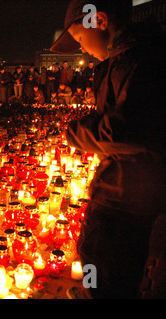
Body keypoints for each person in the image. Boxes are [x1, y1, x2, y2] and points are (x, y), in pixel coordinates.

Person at [51, 0, 166, 299]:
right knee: (105, 264)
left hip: (124, 195)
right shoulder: (128, 58)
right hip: (128, 188)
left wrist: (77, 132)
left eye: (79, 38)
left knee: (102, 258)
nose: (81, 48)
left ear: (99, 20)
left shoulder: (139, 59)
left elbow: (129, 129)